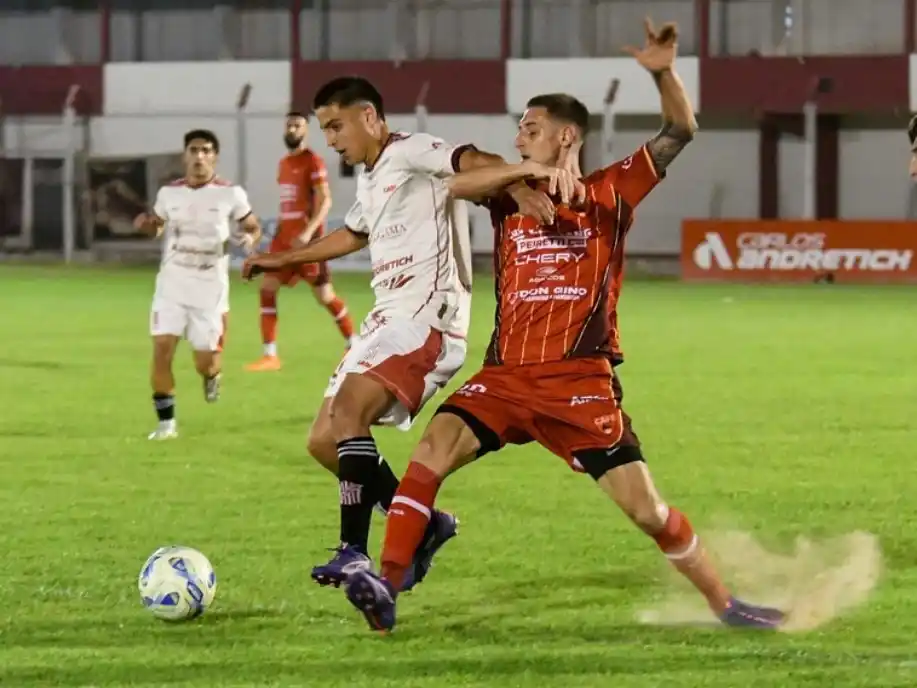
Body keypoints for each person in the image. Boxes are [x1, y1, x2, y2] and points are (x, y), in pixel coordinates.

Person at [341, 19, 786, 633]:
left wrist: (661, 72)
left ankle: (726, 605)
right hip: (504, 377)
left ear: (566, 134)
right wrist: (524, 176)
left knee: (647, 510)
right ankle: (385, 587)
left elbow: (680, 130)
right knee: (433, 451)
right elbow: (453, 184)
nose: (519, 135)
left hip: (578, 383)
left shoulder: (612, 191)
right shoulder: (508, 195)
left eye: (530, 127)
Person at [242, 76, 575, 591]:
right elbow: (353, 233)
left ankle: (353, 552)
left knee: (348, 414)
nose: (330, 139)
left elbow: (473, 159)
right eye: (324, 128)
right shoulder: (372, 178)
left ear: (370, 117)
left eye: (337, 125)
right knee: (322, 440)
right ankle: (423, 522)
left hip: (426, 316)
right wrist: (280, 257)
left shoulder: (412, 150)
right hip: (386, 316)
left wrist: (517, 185)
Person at [135, 129, 261, 440]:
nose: (199, 156)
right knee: (162, 349)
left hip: (209, 289)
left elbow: (252, 225)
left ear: (214, 156)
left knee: (205, 361)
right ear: (185, 156)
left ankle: (212, 374)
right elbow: (157, 228)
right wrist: (146, 226)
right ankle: (166, 425)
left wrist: (250, 237)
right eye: (193, 150)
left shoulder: (230, 193)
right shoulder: (169, 194)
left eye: (206, 150)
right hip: (172, 284)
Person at [246, 111, 355, 372]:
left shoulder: (313, 162)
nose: (292, 129)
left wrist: (308, 233)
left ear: (306, 130)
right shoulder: (283, 163)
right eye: (289, 125)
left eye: (297, 125)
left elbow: (325, 199)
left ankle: (354, 343)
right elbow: (289, 206)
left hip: (308, 244)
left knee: (325, 296)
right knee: (267, 288)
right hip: (284, 241)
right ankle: (270, 355)